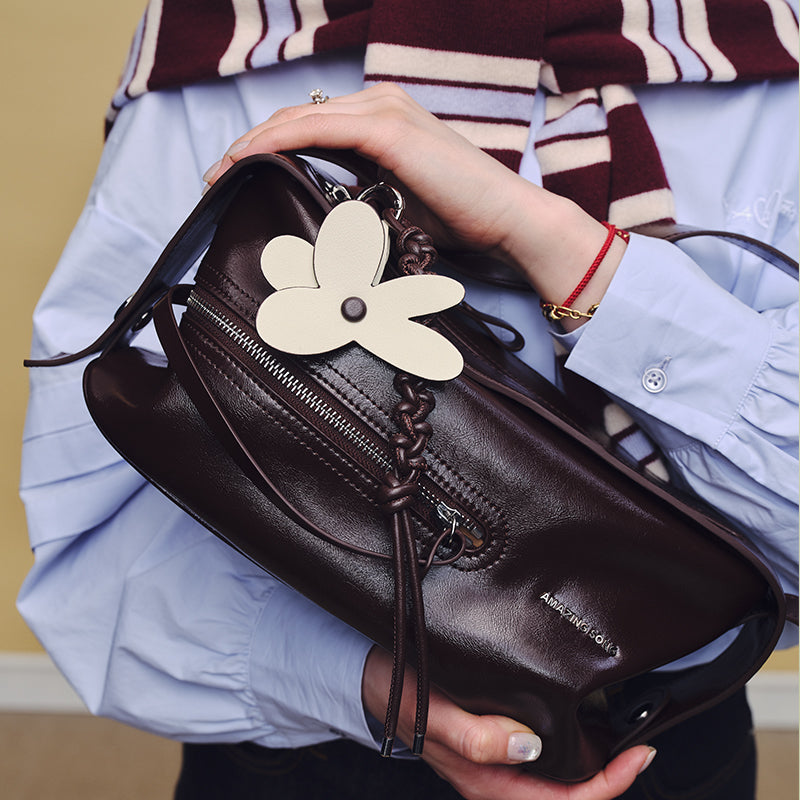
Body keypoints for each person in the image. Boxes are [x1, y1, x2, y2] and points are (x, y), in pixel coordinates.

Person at [19, 1, 798, 798]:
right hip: (308, 754)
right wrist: (379, 691)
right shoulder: (224, 38)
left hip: (660, 732)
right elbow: (86, 561)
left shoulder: (772, 56)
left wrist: (563, 250)